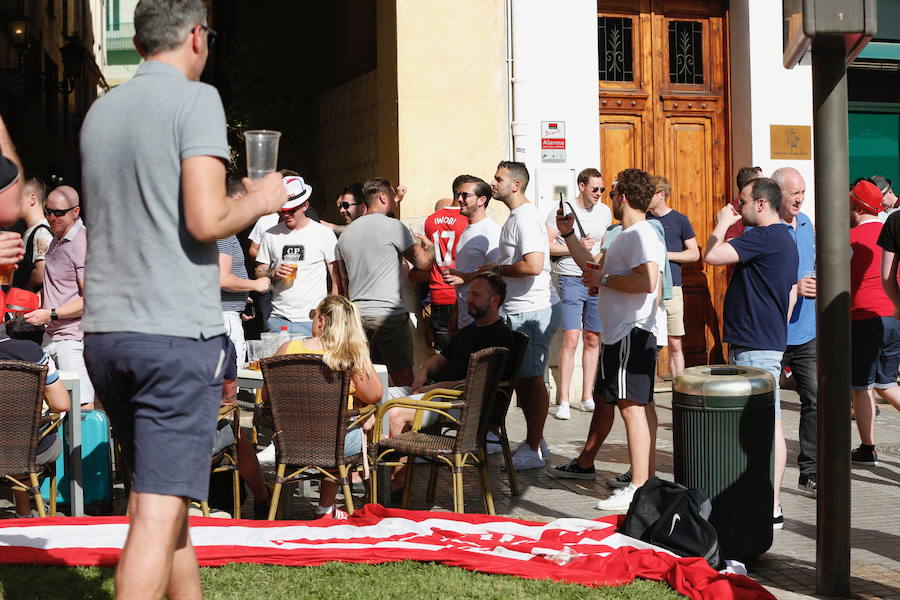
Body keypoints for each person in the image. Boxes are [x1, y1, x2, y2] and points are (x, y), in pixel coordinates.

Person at [79, 0, 287, 596]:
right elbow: (206, 219)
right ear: (196, 36)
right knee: (153, 510)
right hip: (172, 333)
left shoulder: (101, 111)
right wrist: (261, 198)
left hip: (108, 332)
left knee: (164, 504)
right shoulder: (197, 99)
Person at [555, 169, 665, 511]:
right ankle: (643, 482)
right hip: (624, 331)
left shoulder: (641, 234)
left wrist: (604, 279)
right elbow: (590, 265)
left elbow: (647, 282)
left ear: (625, 197)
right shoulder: (626, 234)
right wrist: (568, 234)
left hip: (632, 331)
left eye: (613, 191)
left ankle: (638, 486)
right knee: (639, 407)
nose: (609, 197)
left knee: (632, 408)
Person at [703, 176, 798, 530]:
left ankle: (766, 505)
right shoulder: (786, 239)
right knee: (770, 425)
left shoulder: (761, 236)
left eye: (741, 202)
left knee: (761, 429)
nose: (737, 208)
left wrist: (721, 225)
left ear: (760, 203)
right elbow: (790, 292)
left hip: (755, 348)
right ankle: (770, 505)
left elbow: (711, 256)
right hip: (766, 341)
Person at [479, 161, 561, 470]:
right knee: (524, 379)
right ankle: (536, 441)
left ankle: (533, 446)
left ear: (515, 185)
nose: (493, 182)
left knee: (531, 379)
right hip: (520, 308)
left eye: (498, 178)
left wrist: (494, 269)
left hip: (532, 310)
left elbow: (534, 265)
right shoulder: (517, 217)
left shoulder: (525, 218)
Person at [271, 295, 383, 518]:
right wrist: (361, 351)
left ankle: (281, 508)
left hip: (289, 440)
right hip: (335, 443)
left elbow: (267, 394)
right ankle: (326, 507)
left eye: (314, 316)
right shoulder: (348, 356)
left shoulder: (287, 348)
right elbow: (374, 395)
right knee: (350, 426)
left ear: (321, 321)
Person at [383, 271, 515, 436]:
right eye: (468, 294)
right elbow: (439, 360)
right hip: (436, 394)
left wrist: (434, 388)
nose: (468, 300)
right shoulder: (468, 331)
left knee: (394, 412)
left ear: (494, 300)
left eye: (476, 295)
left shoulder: (501, 337)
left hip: (457, 403)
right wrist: (423, 373)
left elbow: (478, 384)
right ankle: (389, 453)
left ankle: (402, 460)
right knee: (377, 396)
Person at [336, 177, 433, 386]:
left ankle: (372, 419)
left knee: (364, 381)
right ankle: (400, 418)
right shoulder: (394, 227)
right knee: (403, 380)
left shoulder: (345, 235)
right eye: (392, 198)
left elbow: (343, 284)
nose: (394, 202)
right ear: (383, 198)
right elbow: (423, 263)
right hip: (389, 317)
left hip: (357, 318)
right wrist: (431, 249)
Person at [545, 168, 611, 420]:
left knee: (593, 338)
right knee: (571, 339)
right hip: (571, 278)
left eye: (602, 190)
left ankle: (587, 397)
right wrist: (574, 247)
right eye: (595, 189)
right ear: (581, 186)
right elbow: (547, 243)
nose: (599, 194)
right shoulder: (562, 210)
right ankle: (563, 400)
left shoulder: (605, 212)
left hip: (595, 279)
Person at [0, 288, 71, 518]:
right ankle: (32, 514)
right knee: (27, 434)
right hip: (32, 450)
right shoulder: (31, 351)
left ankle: (23, 510)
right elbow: (62, 404)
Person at [22, 185, 94, 408]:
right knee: (54, 406)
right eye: (48, 211)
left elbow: (90, 300)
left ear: (76, 211)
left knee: (81, 405)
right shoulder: (56, 239)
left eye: (59, 213)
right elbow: (57, 286)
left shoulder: (81, 242)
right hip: (52, 335)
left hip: (72, 338)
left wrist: (50, 314)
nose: (51, 217)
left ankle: (87, 444)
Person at [772, 167, 818, 495]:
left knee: (816, 399)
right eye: (794, 193)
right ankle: (760, 468)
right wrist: (793, 287)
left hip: (807, 330)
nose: (800, 198)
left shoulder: (806, 223)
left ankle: (810, 471)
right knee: (763, 403)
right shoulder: (764, 228)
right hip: (771, 331)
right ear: (777, 195)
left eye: (802, 191)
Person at [850, 180, 900, 467]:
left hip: (864, 318)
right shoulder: (890, 229)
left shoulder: (849, 239)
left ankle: (868, 449)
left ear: (856, 206)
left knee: (861, 386)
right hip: (893, 315)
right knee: (886, 383)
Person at [255, 175, 338, 336]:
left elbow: (337, 280)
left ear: (305, 205)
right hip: (279, 320)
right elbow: (259, 271)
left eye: (292, 210)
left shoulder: (323, 234)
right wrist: (273, 273)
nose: (287, 215)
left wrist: (330, 316)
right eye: (283, 210)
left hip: (314, 320)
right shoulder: (270, 235)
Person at [646, 174, 698, 377]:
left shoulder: (680, 220)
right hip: (648, 289)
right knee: (649, 342)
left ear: (661, 194)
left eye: (649, 193)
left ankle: (680, 390)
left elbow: (694, 253)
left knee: (675, 342)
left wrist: (665, 255)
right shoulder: (644, 220)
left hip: (673, 288)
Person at [218, 176, 270, 367]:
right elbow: (222, 278)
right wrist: (256, 285)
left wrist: (240, 297)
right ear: (239, 199)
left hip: (227, 313)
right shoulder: (223, 231)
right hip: (224, 319)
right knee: (230, 382)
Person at [444, 175, 501, 331]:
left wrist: (465, 278)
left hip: (482, 322)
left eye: (465, 195)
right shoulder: (468, 230)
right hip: (465, 318)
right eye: (458, 195)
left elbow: (497, 272)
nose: (459, 199)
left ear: (481, 200)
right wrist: (456, 312)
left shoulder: (490, 230)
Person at [420, 195, 468, 350]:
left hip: (439, 294)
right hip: (459, 293)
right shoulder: (465, 221)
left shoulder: (430, 222)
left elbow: (417, 270)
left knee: (444, 355)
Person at [12, 177, 52, 292]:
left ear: (32, 199)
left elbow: (41, 273)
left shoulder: (41, 232)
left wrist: (22, 285)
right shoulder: (32, 231)